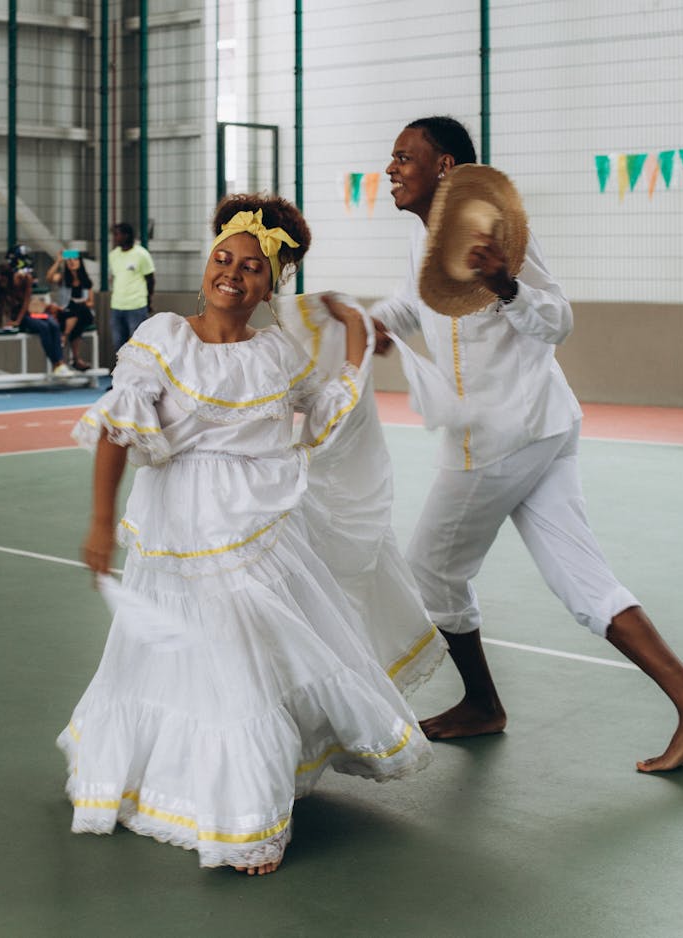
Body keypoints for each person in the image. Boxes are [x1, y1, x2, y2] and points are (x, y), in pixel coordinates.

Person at [58, 194, 446, 875]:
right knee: (194, 659)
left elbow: (326, 416)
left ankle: (247, 815)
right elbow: (119, 431)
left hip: (258, 527)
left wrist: (355, 336)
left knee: (243, 660)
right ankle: (221, 804)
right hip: (179, 525)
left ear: (274, 282)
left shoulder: (276, 353)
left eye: (253, 267)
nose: (232, 273)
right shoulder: (162, 337)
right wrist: (98, 521)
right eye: (222, 258)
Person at [371, 115, 683, 773]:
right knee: (583, 582)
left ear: (445, 167)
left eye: (403, 157)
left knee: (430, 568)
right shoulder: (423, 246)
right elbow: (405, 303)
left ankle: (479, 702)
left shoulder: (494, 238)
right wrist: (368, 327)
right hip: (544, 428)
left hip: (503, 440)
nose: (390, 168)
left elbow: (557, 319)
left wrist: (506, 286)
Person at [0, 251, 72, 377]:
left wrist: (18, 321)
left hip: (27, 314)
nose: (1, 283)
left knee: (53, 324)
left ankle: (60, 363)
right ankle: (56, 364)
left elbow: (26, 303)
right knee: (44, 327)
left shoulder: (26, 279)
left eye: (3, 280)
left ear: (9, 277)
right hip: (18, 317)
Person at [108, 222, 155, 355]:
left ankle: (140, 374)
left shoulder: (141, 254)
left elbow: (150, 279)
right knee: (118, 343)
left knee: (138, 343)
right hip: (117, 305)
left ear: (126, 235)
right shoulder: (113, 255)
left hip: (136, 305)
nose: (115, 238)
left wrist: (148, 301)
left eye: (117, 234)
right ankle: (122, 373)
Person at [45, 250, 95, 371]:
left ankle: (64, 336)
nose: (72, 262)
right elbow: (49, 277)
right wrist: (58, 261)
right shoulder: (63, 278)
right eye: (69, 260)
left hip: (82, 313)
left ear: (80, 262)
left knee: (80, 309)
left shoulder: (86, 281)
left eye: (75, 259)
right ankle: (76, 359)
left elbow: (91, 302)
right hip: (66, 313)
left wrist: (83, 302)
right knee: (76, 313)